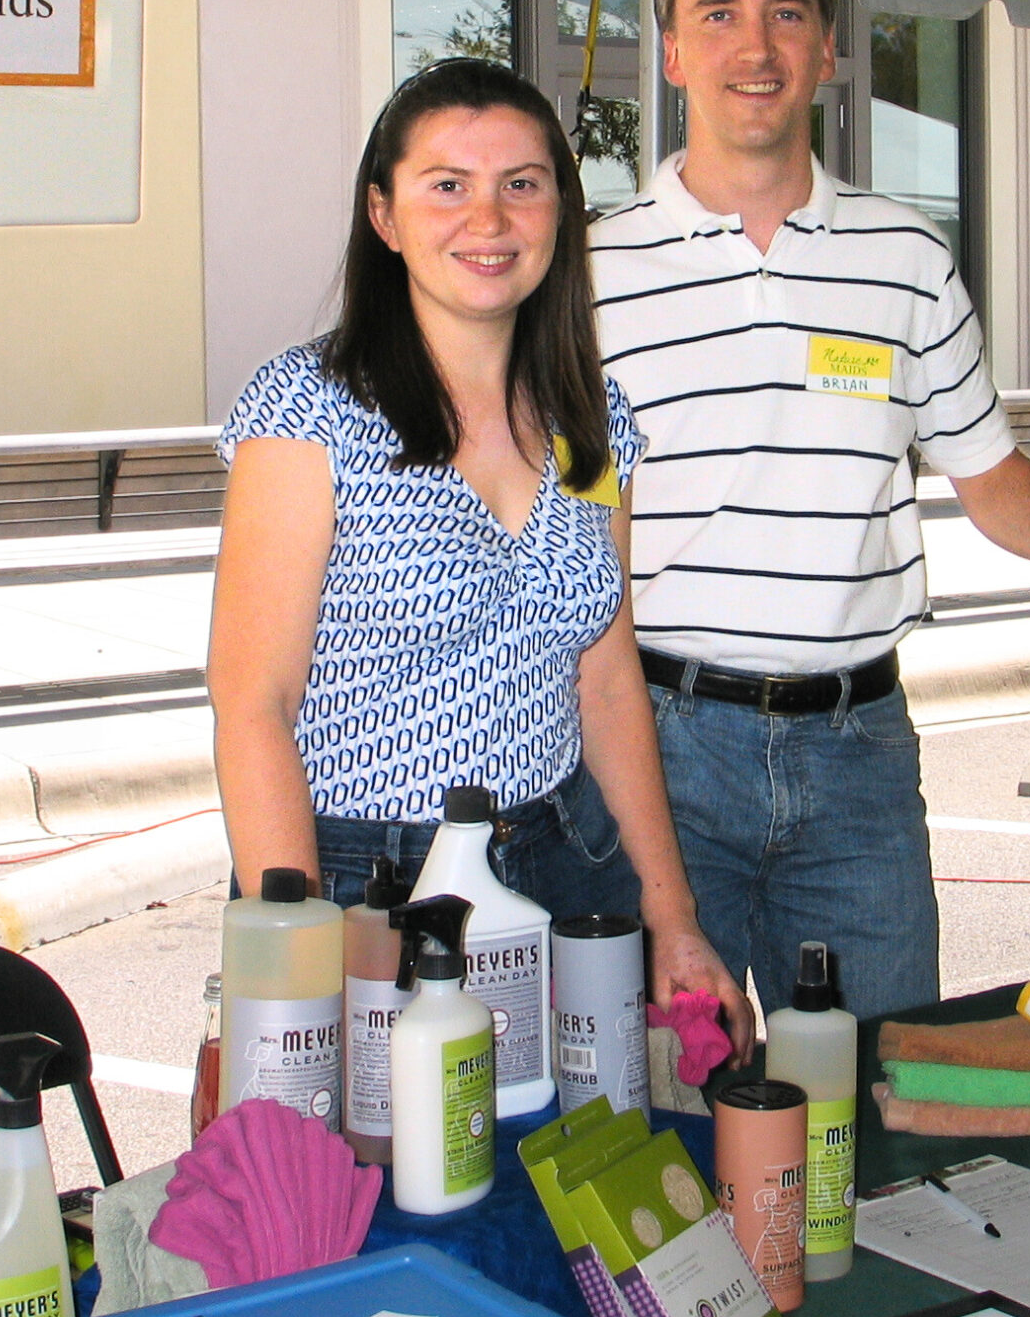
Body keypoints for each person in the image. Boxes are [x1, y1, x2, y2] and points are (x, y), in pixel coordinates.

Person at [585, 0, 1030, 1022]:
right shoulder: (588, 274)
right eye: (718, 15)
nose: (752, 48)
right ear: (669, 50)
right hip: (662, 752)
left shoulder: (904, 256)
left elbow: (986, 465)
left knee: (875, 1101)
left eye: (784, 14)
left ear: (824, 50)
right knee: (663, 1121)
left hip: (858, 759)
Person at [207, 56, 753, 1051]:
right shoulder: (308, 409)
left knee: (559, 1171)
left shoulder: (589, 425)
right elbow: (253, 704)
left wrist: (674, 920)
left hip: (564, 863)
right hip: (367, 883)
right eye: (447, 185)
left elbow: (608, 682)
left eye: (522, 184)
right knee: (386, 1183)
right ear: (385, 216)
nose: (489, 219)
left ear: (560, 211)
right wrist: (297, 964)